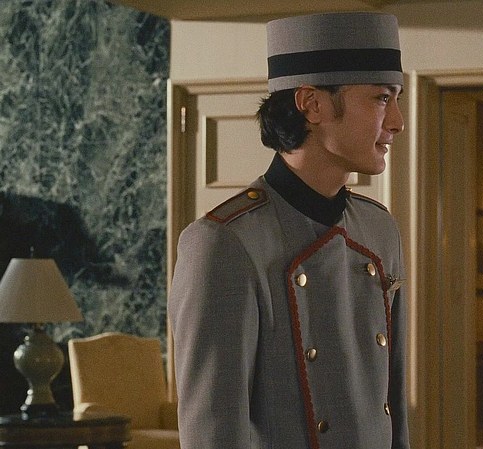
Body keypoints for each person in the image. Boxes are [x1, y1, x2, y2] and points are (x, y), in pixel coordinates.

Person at [168, 12, 409, 449]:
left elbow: (391, 407)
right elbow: (213, 433)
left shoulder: (379, 229)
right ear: (312, 104)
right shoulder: (223, 243)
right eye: (380, 98)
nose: (397, 121)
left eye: (397, 99)